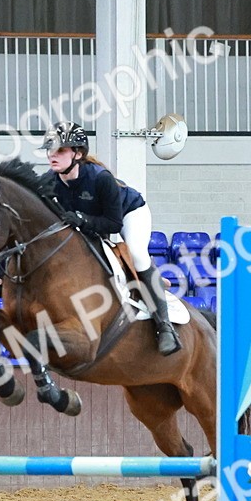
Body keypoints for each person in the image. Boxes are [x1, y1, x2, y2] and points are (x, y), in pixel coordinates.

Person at [39, 121, 181, 356]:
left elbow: (113, 224)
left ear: (78, 154)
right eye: (49, 150)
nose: (52, 155)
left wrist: (83, 220)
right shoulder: (49, 182)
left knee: (136, 254)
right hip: (91, 222)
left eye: (60, 150)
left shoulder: (100, 178)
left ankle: (164, 326)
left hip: (128, 213)